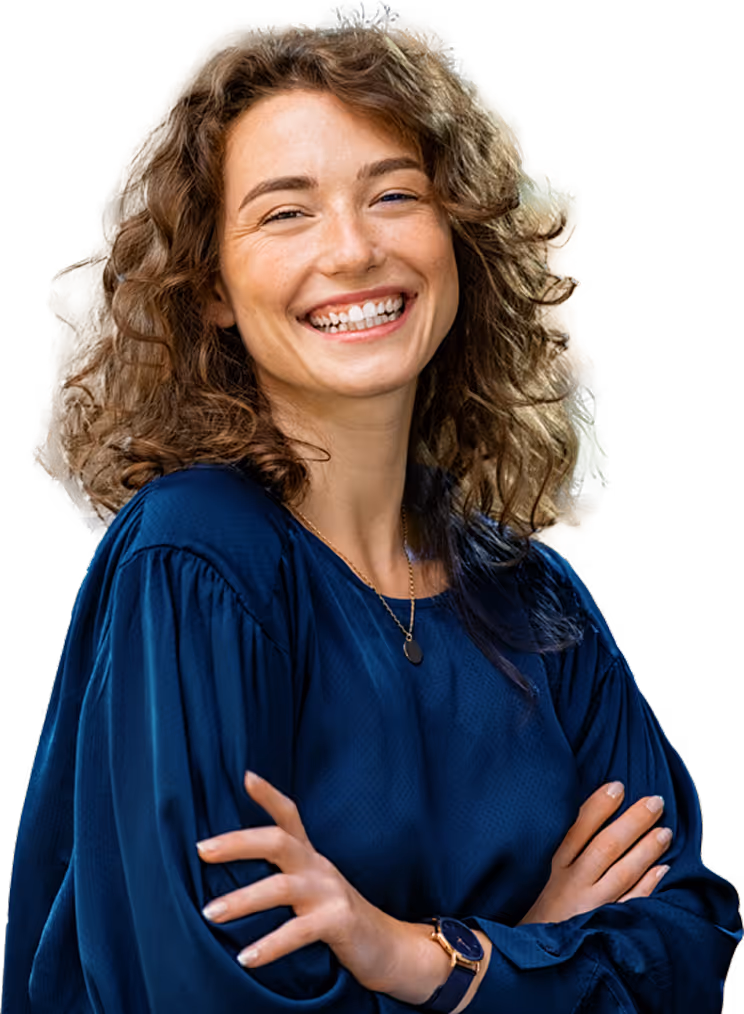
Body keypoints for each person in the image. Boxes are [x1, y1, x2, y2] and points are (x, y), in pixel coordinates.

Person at [6, 7, 742, 1013]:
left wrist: (418, 958)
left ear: (457, 235)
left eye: (394, 194)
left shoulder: (533, 596)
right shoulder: (194, 560)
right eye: (285, 211)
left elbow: (687, 949)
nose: (353, 251)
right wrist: (531, 953)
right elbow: (203, 996)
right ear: (212, 283)